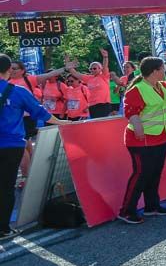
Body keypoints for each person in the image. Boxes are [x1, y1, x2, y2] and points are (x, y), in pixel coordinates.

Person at [117, 57, 166, 224]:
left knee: (154, 174)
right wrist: (138, 128)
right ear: (154, 71)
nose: (164, 71)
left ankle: (152, 206)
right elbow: (131, 112)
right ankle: (126, 211)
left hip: (159, 137)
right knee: (141, 175)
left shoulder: (161, 86)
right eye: (162, 68)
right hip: (141, 140)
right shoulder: (137, 89)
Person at [0, 55, 68, 238]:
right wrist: (64, 124)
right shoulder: (18, 91)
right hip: (11, 145)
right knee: (6, 186)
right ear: (8, 71)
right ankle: (3, 228)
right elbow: (41, 113)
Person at [68, 49, 114, 118]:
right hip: (92, 105)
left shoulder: (103, 76)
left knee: (103, 123)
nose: (92, 70)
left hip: (103, 104)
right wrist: (68, 64)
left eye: (94, 68)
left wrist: (105, 57)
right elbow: (75, 73)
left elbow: (105, 66)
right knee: (95, 125)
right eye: (91, 69)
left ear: (100, 69)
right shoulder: (89, 78)